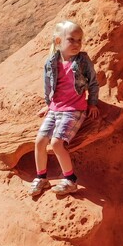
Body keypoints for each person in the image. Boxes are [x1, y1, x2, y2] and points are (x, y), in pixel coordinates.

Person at [29, 20, 100, 197]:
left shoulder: (82, 60)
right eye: (71, 40)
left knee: (56, 143)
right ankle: (41, 178)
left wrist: (92, 103)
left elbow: (93, 82)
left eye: (79, 40)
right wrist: (48, 104)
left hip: (74, 108)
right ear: (58, 41)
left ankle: (71, 180)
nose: (76, 44)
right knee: (39, 142)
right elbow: (48, 85)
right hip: (55, 108)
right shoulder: (51, 62)